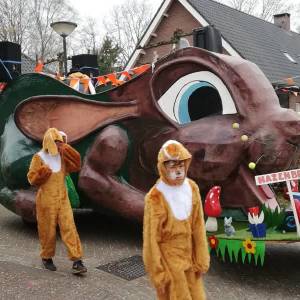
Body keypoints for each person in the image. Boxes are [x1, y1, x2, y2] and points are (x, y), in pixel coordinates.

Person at [143, 140, 210, 300]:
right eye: (172, 166)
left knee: (198, 296)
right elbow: (151, 239)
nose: (178, 171)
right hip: (169, 259)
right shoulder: (155, 196)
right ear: (163, 167)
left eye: (181, 166)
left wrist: (201, 257)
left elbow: (198, 226)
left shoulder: (191, 188)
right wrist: (157, 271)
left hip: (190, 256)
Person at [27, 128, 87, 274]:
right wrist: (43, 172)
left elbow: (76, 164)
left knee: (69, 228)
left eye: (61, 141)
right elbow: (32, 179)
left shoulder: (62, 157)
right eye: (58, 142)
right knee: (47, 230)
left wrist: (66, 148)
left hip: (63, 199)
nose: (60, 144)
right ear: (50, 141)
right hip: (46, 201)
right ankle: (47, 257)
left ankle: (77, 260)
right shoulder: (38, 157)